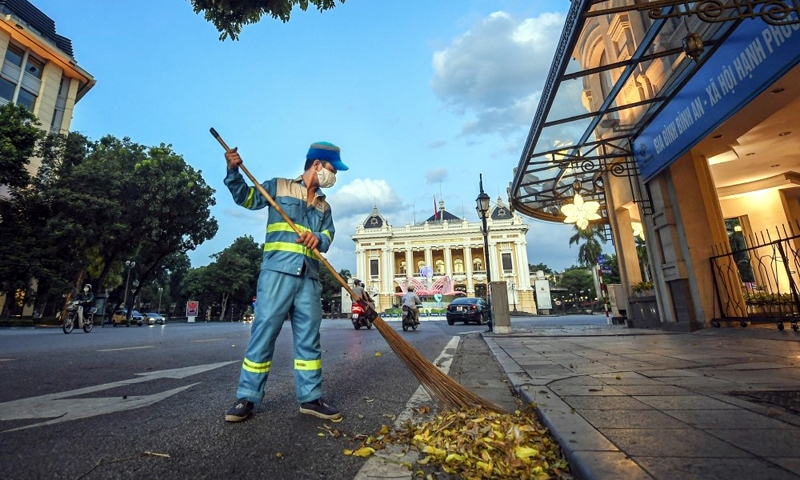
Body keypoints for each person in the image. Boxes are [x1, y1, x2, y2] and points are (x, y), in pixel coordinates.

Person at [223, 141, 348, 423]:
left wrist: (320, 239)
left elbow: (328, 235)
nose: (334, 175)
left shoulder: (324, 206)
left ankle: (311, 398)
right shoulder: (278, 186)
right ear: (317, 165)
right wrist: (233, 171)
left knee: (309, 341)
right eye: (332, 169)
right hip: (276, 274)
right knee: (263, 334)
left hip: (309, 278)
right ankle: (246, 398)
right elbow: (246, 197)